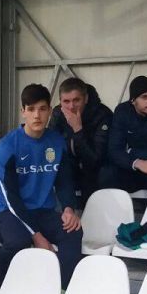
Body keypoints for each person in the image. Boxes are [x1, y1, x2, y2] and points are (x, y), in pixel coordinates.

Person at [0, 84, 84, 287]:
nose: (37, 115)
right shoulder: (7, 146)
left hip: (43, 211)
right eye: (31, 109)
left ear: (50, 111)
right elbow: (10, 197)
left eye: (42, 109)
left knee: (73, 232)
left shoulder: (56, 142)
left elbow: (64, 181)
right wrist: (36, 235)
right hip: (9, 212)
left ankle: (62, 290)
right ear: (23, 111)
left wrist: (69, 209)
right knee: (18, 241)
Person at [48, 77, 113, 206]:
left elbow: (95, 159)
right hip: (70, 166)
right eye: (66, 101)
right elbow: (50, 146)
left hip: (96, 168)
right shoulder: (58, 113)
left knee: (101, 174)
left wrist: (78, 129)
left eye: (76, 100)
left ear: (86, 98)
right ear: (60, 101)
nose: (71, 106)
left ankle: (90, 215)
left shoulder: (103, 115)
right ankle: (65, 213)